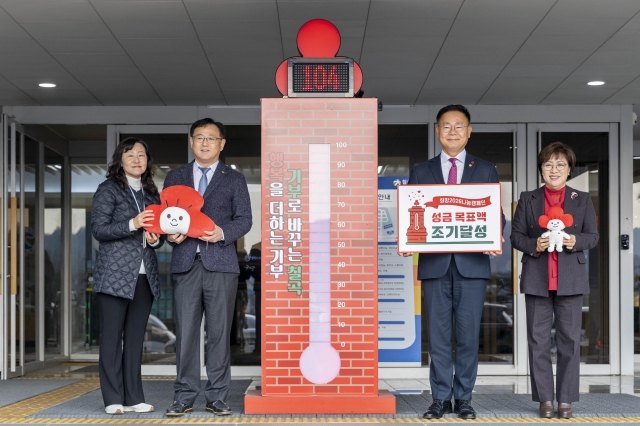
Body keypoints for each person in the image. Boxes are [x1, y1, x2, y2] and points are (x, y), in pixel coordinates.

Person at [406, 104, 505, 420]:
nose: (452, 131)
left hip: (472, 267)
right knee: (437, 337)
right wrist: (408, 241)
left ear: (469, 131)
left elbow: (496, 214)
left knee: (467, 336)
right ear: (437, 131)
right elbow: (411, 211)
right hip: (434, 266)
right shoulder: (422, 171)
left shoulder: (485, 168)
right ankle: (439, 399)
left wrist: (495, 236)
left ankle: (464, 398)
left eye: (458, 125)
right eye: (446, 126)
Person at [163, 118, 252, 417]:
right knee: (186, 334)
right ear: (191, 141)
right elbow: (167, 217)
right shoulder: (175, 176)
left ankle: (217, 396)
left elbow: (244, 219)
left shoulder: (234, 178)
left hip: (221, 264)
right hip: (186, 263)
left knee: (219, 334)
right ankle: (184, 396)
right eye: (199, 137)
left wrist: (222, 233)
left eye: (211, 138)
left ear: (221, 144)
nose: (205, 143)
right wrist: (170, 235)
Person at [511, 142, 598, 419]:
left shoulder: (581, 199)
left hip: (570, 279)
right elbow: (516, 236)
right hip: (537, 278)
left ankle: (566, 400)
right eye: (548, 164)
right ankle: (545, 400)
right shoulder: (528, 198)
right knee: (537, 342)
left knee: (569, 341)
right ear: (541, 169)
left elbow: (593, 236)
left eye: (560, 164)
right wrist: (534, 244)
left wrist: (575, 241)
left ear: (569, 169)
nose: (554, 169)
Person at [91, 137, 163, 415]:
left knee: (135, 339)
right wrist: (133, 223)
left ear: (147, 161)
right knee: (112, 338)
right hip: (114, 274)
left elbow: (160, 235)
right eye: (130, 154)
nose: (136, 159)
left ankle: (134, 397)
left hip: (145, 276)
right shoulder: (108, 189)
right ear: (120, 160)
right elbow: (99, 230)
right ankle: (112, 398)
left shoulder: (152, 194)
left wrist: (156, 239)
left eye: (141, 155)